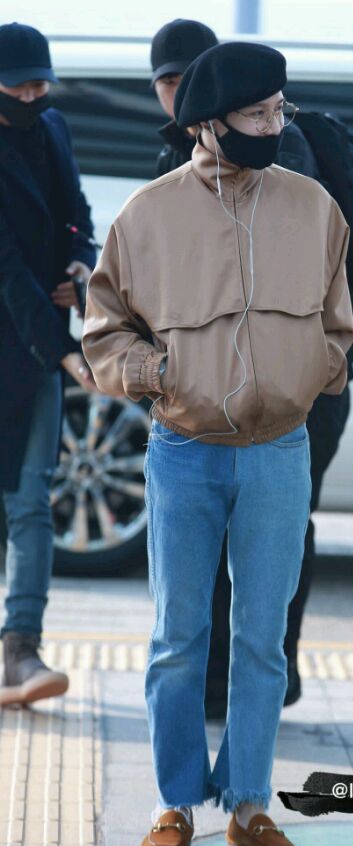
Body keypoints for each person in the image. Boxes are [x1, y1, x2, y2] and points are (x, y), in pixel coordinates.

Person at [83, 41, 353, 846]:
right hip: (185, 450)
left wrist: (310, 371)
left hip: (279, 452)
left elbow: (337, 325)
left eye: (279, 110)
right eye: (257, 114)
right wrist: (160, 375)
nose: (275, 125)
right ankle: (174, 803)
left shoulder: (314, 208)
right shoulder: (148, 216)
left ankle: (248, 803)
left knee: (262, 639)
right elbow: (103, 330)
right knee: (179, 636)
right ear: (209, 122)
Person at [150, 19, 352, 717]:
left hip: (290, 395)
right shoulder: (173, 167)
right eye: (166, 81)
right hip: (211, 398)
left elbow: (298, 283)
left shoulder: (276, 155)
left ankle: (265, 672)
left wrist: (312, 372)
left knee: (278, 532)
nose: (177, 92)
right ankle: (224, 680)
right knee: (212, 542)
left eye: (188, 79)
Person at [0, 23, 97, 706]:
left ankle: (19, 649)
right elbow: (6, 271)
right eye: (20, 86)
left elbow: (77, 217)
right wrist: (64, 350)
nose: (34, 95)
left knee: (32, 498)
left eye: (41, 83)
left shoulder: (53, 128)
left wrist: (81, 266)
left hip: (33, 352)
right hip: (31, 339)